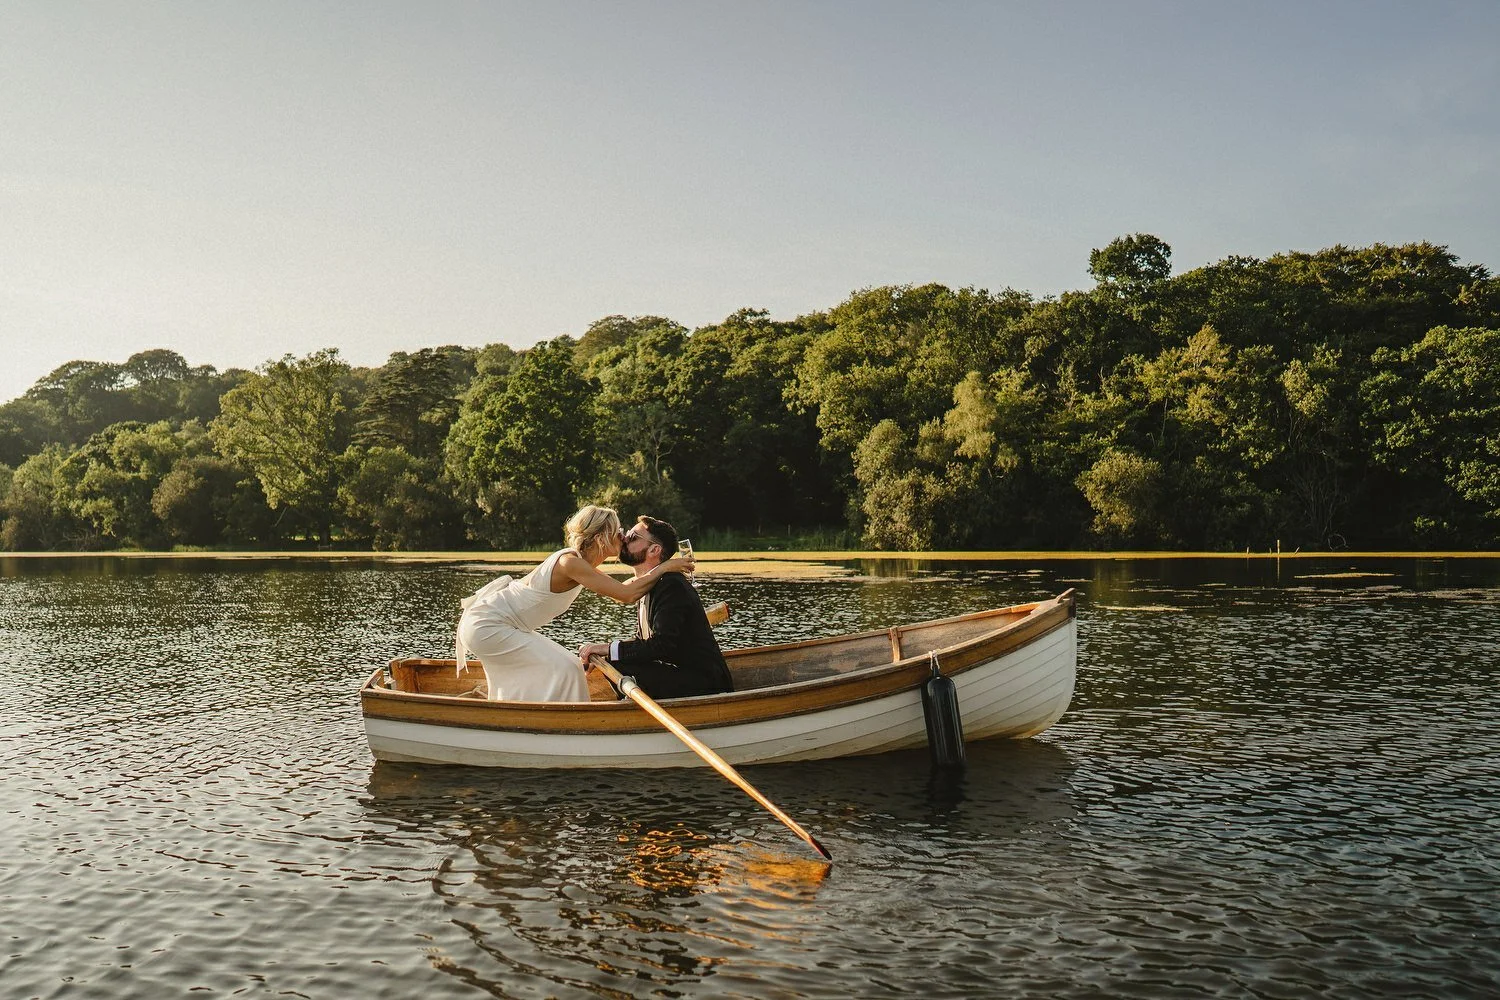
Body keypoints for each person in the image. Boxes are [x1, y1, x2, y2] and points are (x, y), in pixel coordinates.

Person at [455, 505, 693, 702]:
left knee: (566, 667)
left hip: (499, 625)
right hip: (488, 625)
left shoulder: (581, 564)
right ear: (601, 537)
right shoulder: (570, 563)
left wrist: (662, 569)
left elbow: (625, 588)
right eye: (618, 531)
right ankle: (573, 724)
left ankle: (533, 715)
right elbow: (627, 594)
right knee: (568, 668)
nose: (623, 537)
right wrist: (665, 567)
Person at [578, 515, 735, 699]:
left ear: (654, 549)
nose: (624, 539)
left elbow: (661, 646)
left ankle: (627, 710)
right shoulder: (645, 585)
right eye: (627, 534)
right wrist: (606, 652)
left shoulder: (671, 585)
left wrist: (607, 649)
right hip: (680, 674)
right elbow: (643, 641)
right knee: (615, 659)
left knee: (618, 662)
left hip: (704, 683)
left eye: (633, 537)